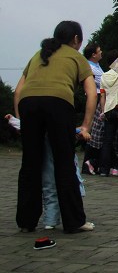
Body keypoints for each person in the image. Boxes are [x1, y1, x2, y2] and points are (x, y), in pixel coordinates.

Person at [14, 20, 96, 233]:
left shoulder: (39, 54)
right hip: (58, 103)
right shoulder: (76, 56)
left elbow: (18, 90)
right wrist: (86, 126)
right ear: (76, 39)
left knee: (30, 163)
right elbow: (92, 93)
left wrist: (21, 120)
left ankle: (26, 221)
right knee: (64, 161)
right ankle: (74, 221)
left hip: (28, 103)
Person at [81, 43, 105, 175]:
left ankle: (92, 163)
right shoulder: (90, 67)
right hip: (95, 100)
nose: (101, 52)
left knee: (96, 133)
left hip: (98, 99)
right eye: (99, 50)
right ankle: (88, 162)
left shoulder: (96, 65)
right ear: (93, 55)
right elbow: (103, 81)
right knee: (95, 133)